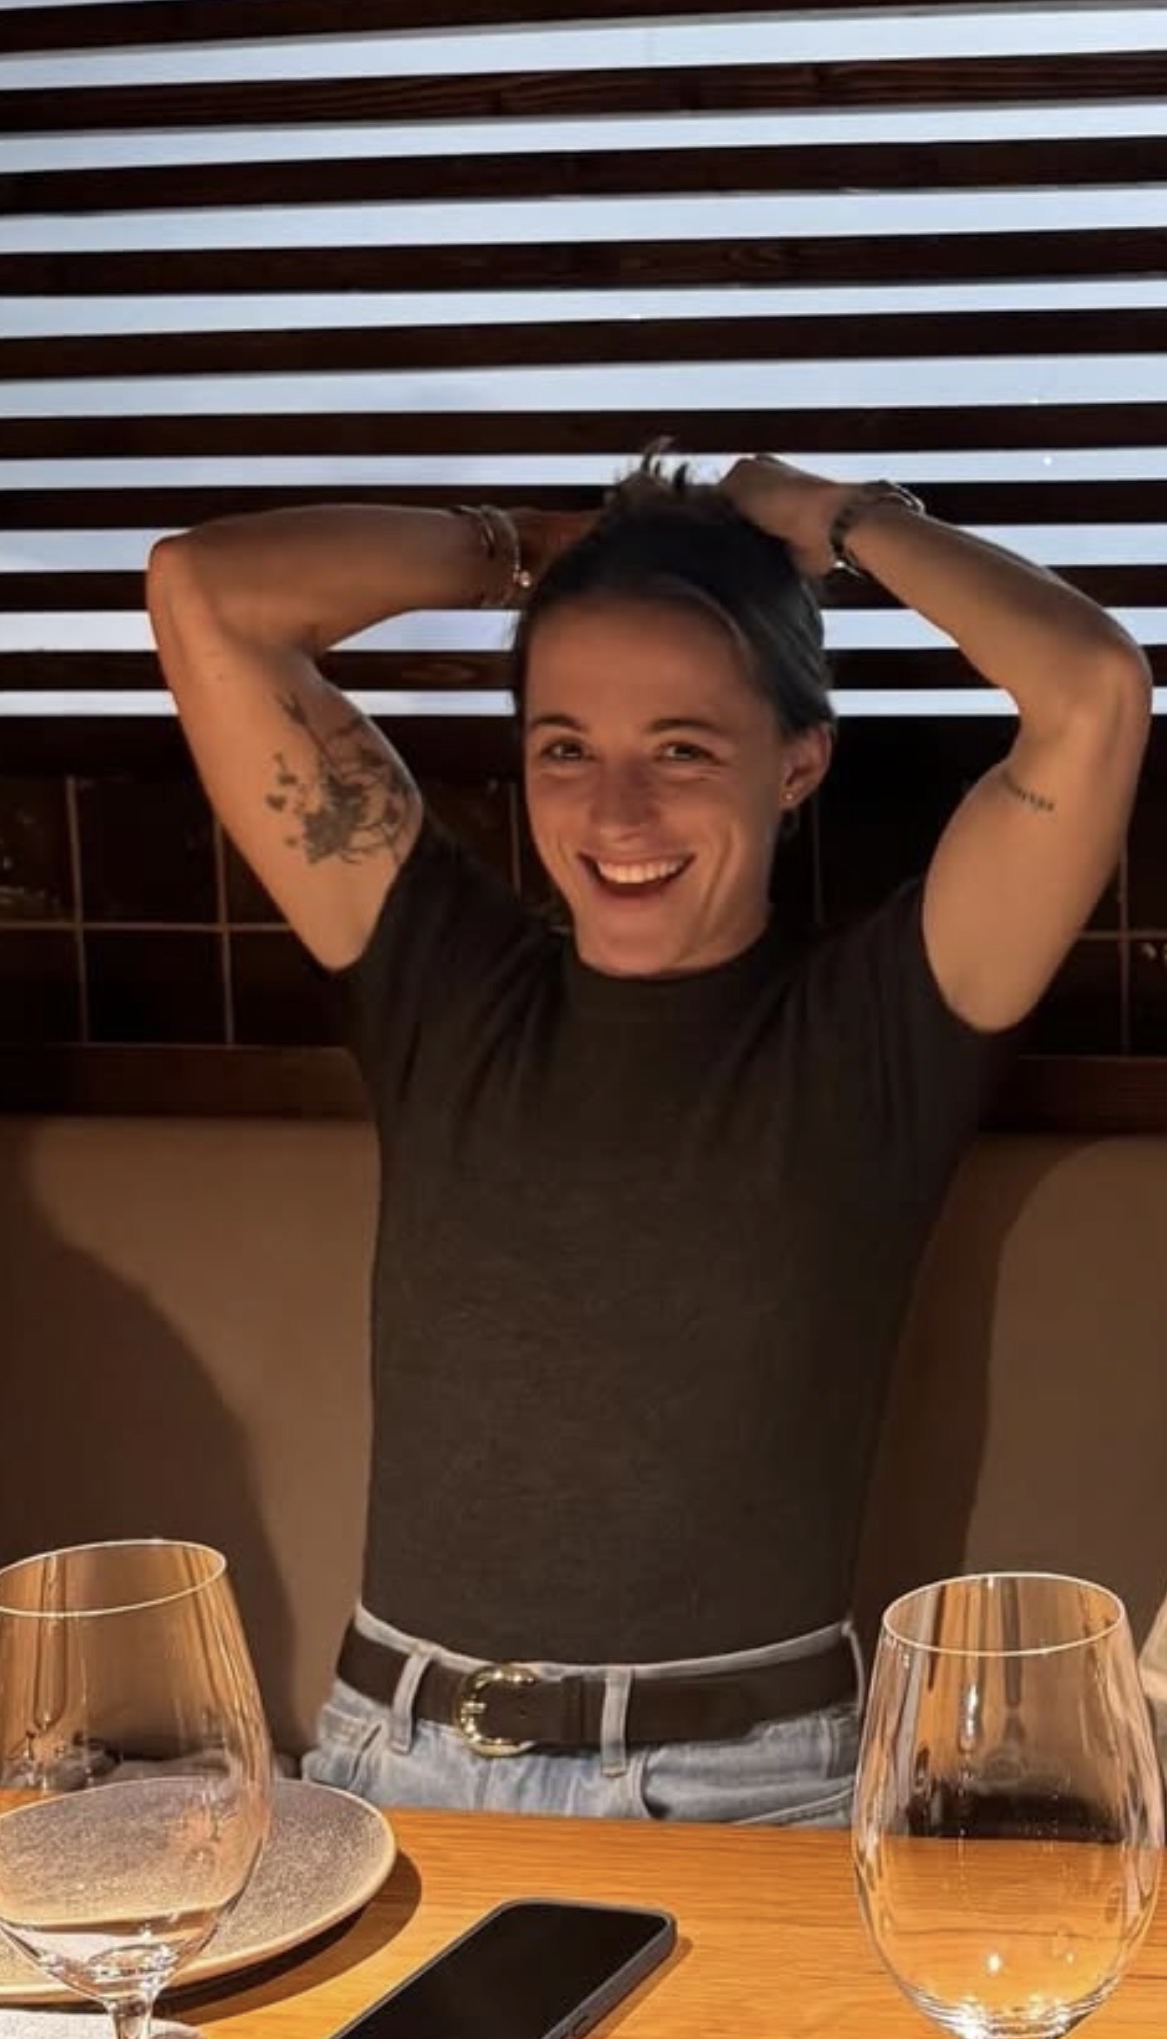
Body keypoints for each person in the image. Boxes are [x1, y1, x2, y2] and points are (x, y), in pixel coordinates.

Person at [146, 451, 1151, 1824]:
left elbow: (1090, 692)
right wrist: (527, 548)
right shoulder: (441, 977)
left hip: (755, 1788)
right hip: (402, 1763)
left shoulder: (879, 1030)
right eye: (567, 747)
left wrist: (840, 520)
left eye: (683, 749)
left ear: (798, 762)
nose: (617, 814)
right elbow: (202, 592)